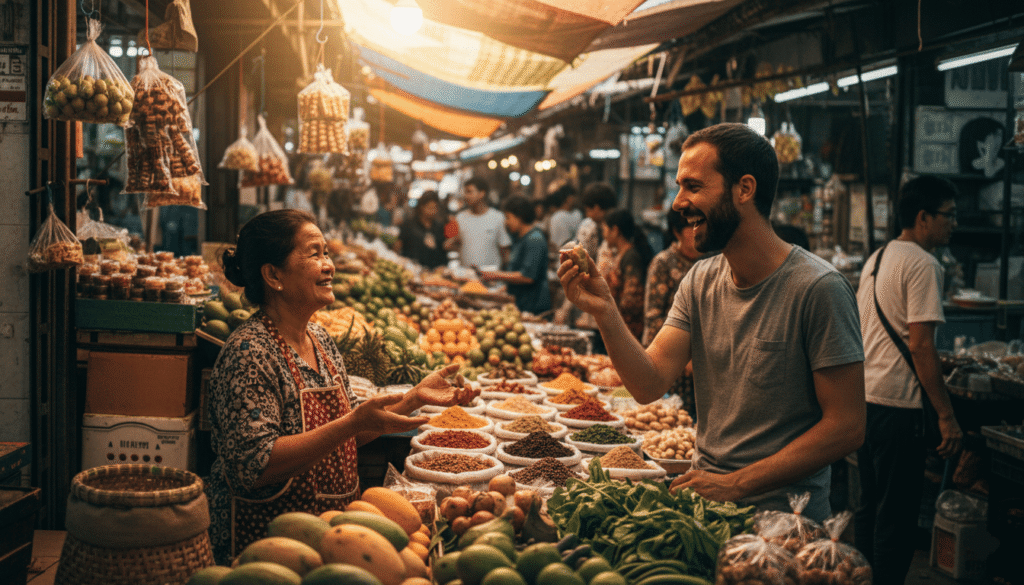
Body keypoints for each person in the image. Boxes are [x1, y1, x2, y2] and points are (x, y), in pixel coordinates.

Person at [558, 123, 865, 520]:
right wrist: (604, 310)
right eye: (679, 188)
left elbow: (846, 426)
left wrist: (736, 484)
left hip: (784, 521)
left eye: (693, 187)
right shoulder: (700, 280)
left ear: (744, 189)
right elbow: (648, 384)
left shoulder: (819, 289)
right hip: (704, 506)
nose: (677, 203)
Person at [205, 209, 479, 564]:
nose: (329, 265)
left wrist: (414, 397)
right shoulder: (249, 353)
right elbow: (255, 465)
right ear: (273, 275)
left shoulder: (320, 340)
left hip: (332, 541)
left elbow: (354, 431)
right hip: (268, 548)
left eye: (326, 253)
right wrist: (350, 424)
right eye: (314, 254)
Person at [854, 176, 964, 585]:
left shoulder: (879, 257)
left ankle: (859, 577)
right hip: (899, 407)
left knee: (869, 506)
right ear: (923, 217)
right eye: (949, 215)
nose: (954, 224)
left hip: (865, 400)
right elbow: (921, 346)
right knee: (896, 516)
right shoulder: (923, 264)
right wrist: (946, 416)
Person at [643, 211, 702, 415]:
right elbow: (653, 316)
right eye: (691, 226)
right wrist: (684, 356)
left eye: (700, 224)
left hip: (701, 365)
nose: (697, 231)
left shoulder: (709, 262)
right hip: (668, 359)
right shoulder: (663, 262)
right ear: (677, 232)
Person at [553, 182, 617, 327]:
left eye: (588, 209)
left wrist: (565, 310)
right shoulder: (601, 226)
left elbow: (580, 269)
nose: (588, 214)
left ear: (596, 208)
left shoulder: (588, 227)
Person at [479, 195, 552, 315]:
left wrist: (495, 275)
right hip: (520, 303)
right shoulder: (519, 238)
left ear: (520, 217)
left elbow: (527, 276)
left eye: (508, 217)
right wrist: (503, 288)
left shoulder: (534, 239)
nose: (506, 222)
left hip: (532, 307)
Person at [602, 209, 654, 341]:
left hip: (628, 330)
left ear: (615, 230)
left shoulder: (630, 256)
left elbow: (631, 298)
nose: (604, 234)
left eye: (605, 229)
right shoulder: (623, 254)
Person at [445, 177, 510, 269]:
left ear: (482, 194)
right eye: (465, 192)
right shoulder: (459, 217)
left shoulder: (498, 217)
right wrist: (454, 241)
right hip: (466, 274)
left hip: (491, 274)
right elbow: (448, 245)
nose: (466, 196)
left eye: (469, 192)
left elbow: (504, 248)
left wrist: (504, 271)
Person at [399, 190, 448, 269]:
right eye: (430, 208)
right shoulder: (409, 225)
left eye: (435, 208)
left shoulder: (439, 227)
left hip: (435, 271)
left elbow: (443, 250)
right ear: (421, 207)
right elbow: (399, 247)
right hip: (412, 270)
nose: (433, 211)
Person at [547, 183, 582, 250]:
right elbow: (554, 243)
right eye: (574, 197)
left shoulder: (577, 213)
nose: (576, 199)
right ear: (568, 198)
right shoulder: (557, 217)